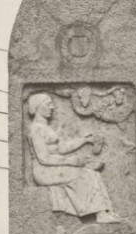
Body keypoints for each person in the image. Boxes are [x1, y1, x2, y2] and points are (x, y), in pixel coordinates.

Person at [26, 92, 121, 223]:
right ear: (37, 107)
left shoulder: (45, 128)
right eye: (48, 104)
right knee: (85, 174)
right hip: (43, 171)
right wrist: (70, 161)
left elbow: (61, 148)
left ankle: (106, 211)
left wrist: (85, 140)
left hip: (52, 167)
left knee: (92, 173)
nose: (52, 107)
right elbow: (43, 158)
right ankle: (100, 215)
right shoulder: (35, 129)